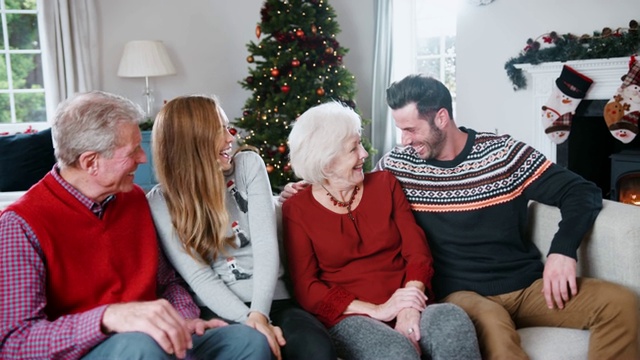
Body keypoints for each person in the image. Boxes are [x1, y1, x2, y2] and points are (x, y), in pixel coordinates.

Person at [282, 75, 640, 359]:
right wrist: (300, 186)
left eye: (411, 129)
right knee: (498, 340)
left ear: (441, 118)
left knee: (622, 304)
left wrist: (563, 251)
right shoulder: (399, 166)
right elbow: (341, 177)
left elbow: (581, 192)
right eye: (400, 130)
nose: (403, 141)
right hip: (462, 294)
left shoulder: (501, 153)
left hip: (528, 286)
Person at [0, 91, 271, 360]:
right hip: (95, 349)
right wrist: (107, 318)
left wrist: (184, 319)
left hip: (158, 338)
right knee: (140, 347)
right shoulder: (20, 224)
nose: (144, 158)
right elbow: (16, 342)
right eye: (132, 151)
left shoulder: (134, 199)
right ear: (91, 162)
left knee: (248, 341)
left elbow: (169, 283)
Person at [282, 101, 481, 360]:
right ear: (327, 161)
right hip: (352, 317)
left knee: (452, 321)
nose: (364, 154)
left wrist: (409, 304)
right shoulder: (297, 209)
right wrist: (377, 310)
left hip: (410, 299)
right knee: (395, 353)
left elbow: (417, 252)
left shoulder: (385, 184)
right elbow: (306, 287)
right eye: (354, 148)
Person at [147, 95, 337, 360]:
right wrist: (248, 320)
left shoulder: (247, 165)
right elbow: (199, 276)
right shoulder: (160, 201)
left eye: (228, 128)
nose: (230, 138)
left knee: (316, 350)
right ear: (194, 140)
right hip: (218, 309)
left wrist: (259, 314)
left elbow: (265, 245)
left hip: (274, 300)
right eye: (220, 130)